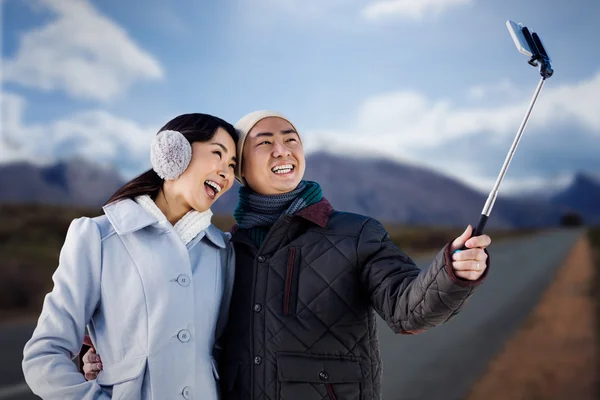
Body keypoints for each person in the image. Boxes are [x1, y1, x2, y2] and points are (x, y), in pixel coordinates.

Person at [83, 110, 491, 399]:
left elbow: (408, 310)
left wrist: (452, 271)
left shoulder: (356, 232)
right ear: (239, 170)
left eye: (291, 140)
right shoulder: (225, 247)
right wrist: (104, 351)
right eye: (265, 143)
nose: (283, 150)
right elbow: (180, 327)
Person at [22, 113, 239, 400]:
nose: (226, 173)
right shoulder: (98, 237)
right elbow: (45, 354)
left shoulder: (223, 251)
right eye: (217, 154)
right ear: (174, 150)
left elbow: (224, 349)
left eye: (233, 166)